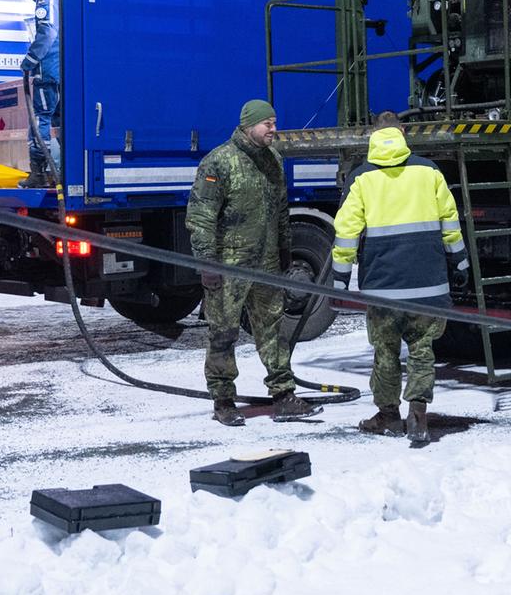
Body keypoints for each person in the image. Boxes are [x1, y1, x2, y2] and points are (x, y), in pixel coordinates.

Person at [331, 114, 466, 447]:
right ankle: (418, 416)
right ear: (403, 134)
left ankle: (388, 415)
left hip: (382, 287)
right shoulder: (429, 171)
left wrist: (339, 280)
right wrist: (460, 263)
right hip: (429, 282)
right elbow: (450, 221)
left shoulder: (361, 177)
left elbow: (346, 232)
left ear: (373, 136)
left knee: (386, 352)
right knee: (422, 350)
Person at [186, 99, 321, 426]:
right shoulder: (219, 162)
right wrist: (208, 264)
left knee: (273, 329)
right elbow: (200, 218)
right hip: (229, 267)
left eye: (275, 122)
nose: (273, 129)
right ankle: (223, 400)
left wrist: (285, 248)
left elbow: (281, 210)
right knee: (223, 332)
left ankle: (284, 395)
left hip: (267, 265)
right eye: (267, 124)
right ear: (249, 125)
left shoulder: (273, 159)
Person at [15, 0, 60, 189]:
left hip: (47, 71)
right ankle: (60, 171)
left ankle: (39, 173)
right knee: (59, 122)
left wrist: (30, 60)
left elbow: (48, 31)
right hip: (58, 72)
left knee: (39, 121)